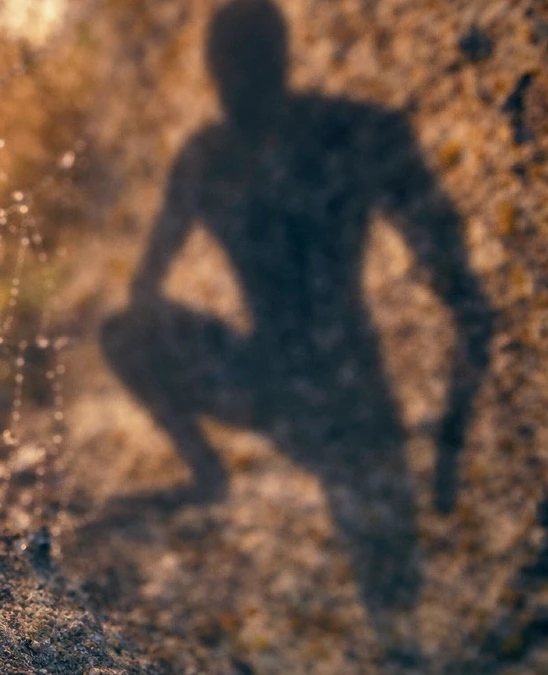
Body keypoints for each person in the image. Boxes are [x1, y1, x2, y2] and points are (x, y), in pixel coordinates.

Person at [100, 0, 492, 654]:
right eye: (228, 73)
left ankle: (212, 476)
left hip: (341, 407)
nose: (237, 90)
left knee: (398, 620)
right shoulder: (320, 139)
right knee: (124, 329)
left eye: (243, 70)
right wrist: (449, 445)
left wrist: (451, 445)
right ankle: (209, 476)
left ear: (280, 62)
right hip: (288, 385)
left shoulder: (350, 137)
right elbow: (140, 300)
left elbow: (470, 303)